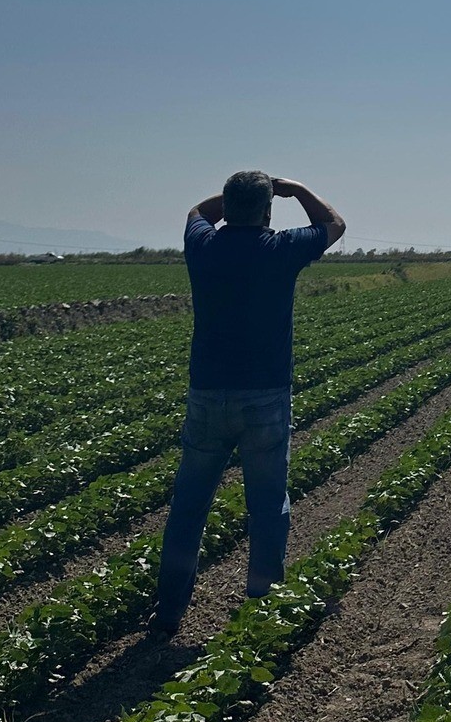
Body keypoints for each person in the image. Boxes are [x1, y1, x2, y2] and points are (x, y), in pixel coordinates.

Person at [148, 169, 346, 638]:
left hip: (206, 395)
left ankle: (170, 610)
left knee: (189, 506)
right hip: (265, 397)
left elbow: (197, 212)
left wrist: (240, 197)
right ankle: (260, 611)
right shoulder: (280, 248)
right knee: (267, 503)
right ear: (268, 212)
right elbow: (335, 224)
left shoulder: (203, 246)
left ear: (229, 208)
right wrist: (294, 189)